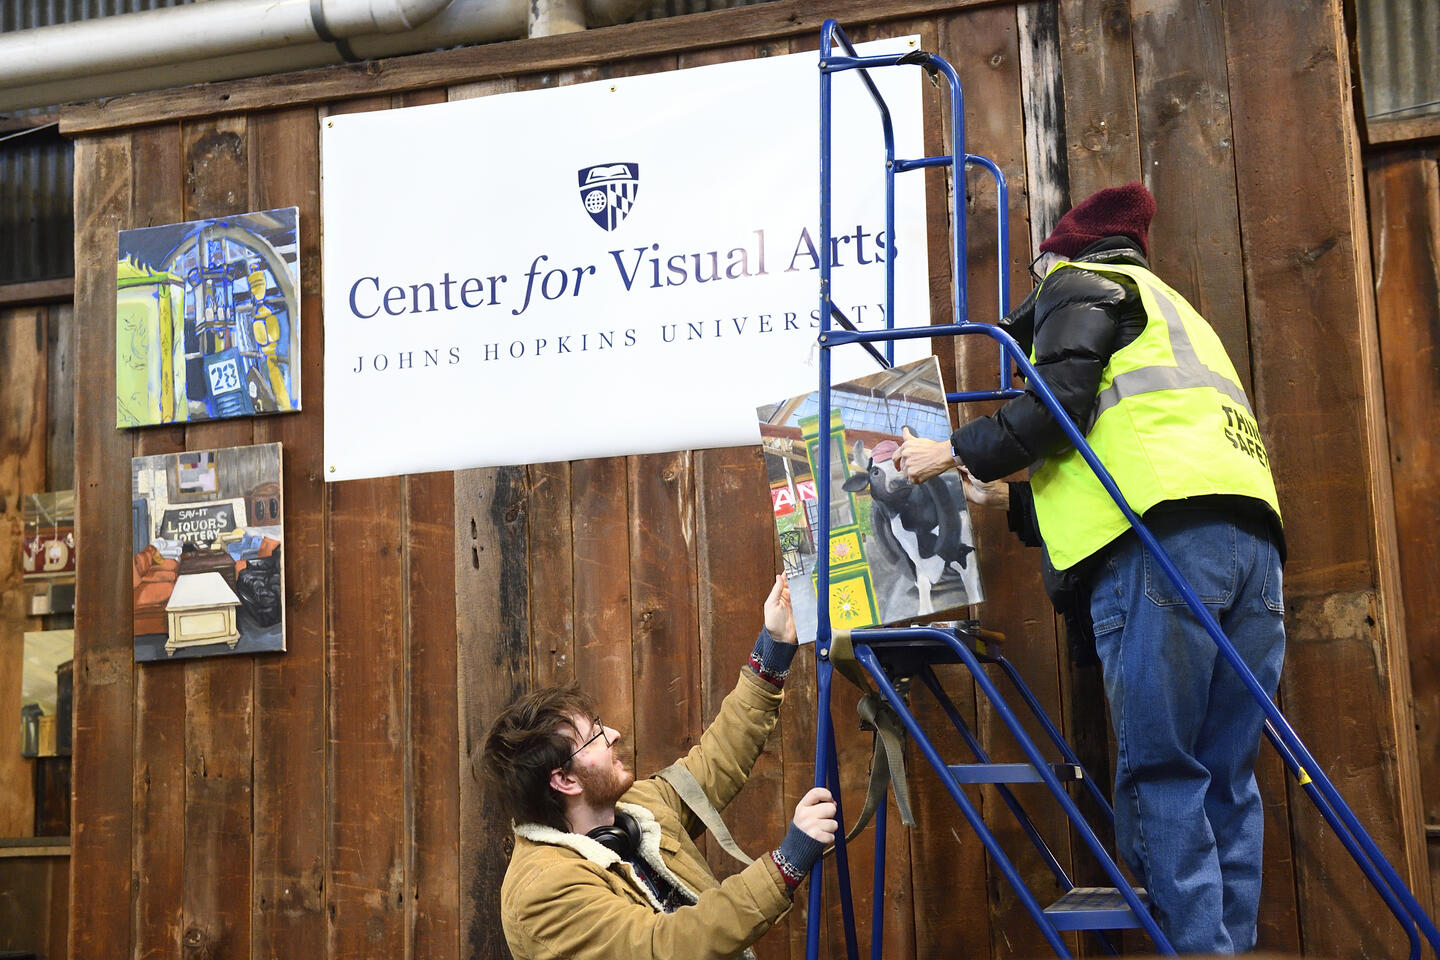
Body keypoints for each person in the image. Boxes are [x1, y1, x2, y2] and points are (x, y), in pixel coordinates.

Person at [895, 182, 1286, 954]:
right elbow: (1107, 437)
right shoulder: (1175, 312)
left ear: (1057, 257)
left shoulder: (1079, 283)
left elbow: (1056, 406)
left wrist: (949, 451)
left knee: (1165, 773)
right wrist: (996, 492)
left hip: (1160, 553)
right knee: (1229, 779)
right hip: (1250, 546)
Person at [481, 575, 836, 960]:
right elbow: (663, 947)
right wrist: (786, 864)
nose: (614, 734)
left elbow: (716, 762)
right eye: (594, 736)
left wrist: (774, 649)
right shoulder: (543, 893)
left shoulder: (635, 809)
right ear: (564, 779)